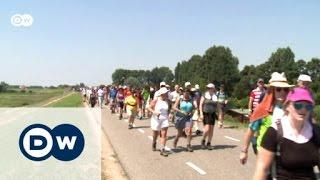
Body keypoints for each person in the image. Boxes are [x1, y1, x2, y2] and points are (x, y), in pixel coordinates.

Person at [254, 87, 319, 179]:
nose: (303, 109)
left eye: (308, 106)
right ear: (287, 105)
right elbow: (262, 169)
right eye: (298, 105)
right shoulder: (274, 132)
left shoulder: (316, 132)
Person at [240, 72, 293, 165]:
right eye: (279, 89)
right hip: (265, 152)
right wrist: (244, 151)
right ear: (272, 90)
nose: (283, 92)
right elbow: (251, 130)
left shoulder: (291, 109)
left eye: (285, 89)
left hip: (285, 153)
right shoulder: (262, 110)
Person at [148, 87, 171, 157]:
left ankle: (162, 149)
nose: (167, 94)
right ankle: (154, 142)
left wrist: (170, 114)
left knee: (164, 135)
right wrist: (154, 112)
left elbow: (170, 108)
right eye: (166, 93)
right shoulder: (156, 100)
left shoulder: (167, 101)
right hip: (156, 119)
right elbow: (149, 107)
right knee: (156, 133)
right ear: (162, 94)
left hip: (164, 119)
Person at [248, 78, 267, 154]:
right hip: (255, 111)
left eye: (262, 82)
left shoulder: (265, 91)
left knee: (260, 129)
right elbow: (251, 101)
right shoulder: (254, 91)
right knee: (254, 129)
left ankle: (258, 144)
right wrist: (249, 110)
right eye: (260, 82)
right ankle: (254, 143)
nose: (261, 84)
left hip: (263, 112)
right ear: (257, 83)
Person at [199, 83, 218, 150]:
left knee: (211, 129)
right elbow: (201, 104)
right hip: (206, 113)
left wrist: (218, 114)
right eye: (208, 88)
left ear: (213, 88)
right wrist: (201, 113)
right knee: (207, 129)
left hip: (212, 114)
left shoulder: (215, 96)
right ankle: (203, 140)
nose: (209, 89)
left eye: (210, 88)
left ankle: (209, 143)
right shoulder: (204, 95)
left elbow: (217, 106)